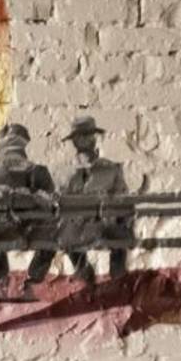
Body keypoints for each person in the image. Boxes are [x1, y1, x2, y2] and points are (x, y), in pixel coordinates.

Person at [0, 123, 56, 292]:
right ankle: (33, 280)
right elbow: (51, 205)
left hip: (0, 234)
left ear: (1, 145)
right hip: (35, 233)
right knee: (52, 234)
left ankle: (1, 274)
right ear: (25, 144)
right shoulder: (40, 172)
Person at [59, 114, 132, 283]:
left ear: (94, 138)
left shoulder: (110, 168)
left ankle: (115, 280)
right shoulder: (65, 172)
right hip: (80, 229)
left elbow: (122, 198)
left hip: (102, 226)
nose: (84, 139)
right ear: (74, 141)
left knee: (120, 234)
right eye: (81, 136)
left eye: (87, 135)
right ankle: (88, 275)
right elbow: (60, 202)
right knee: (67, 236)